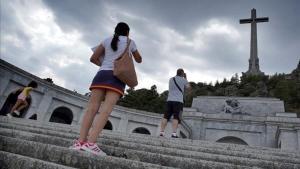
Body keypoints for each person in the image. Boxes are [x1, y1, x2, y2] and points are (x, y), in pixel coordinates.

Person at [70, 22, 142, 156]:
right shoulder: (130, 42)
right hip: (117, 78)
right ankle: (91, 144)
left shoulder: (106, 40)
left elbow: (93, 58)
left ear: (115, 31)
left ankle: (80, 142)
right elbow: (139, 60)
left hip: (101, 75)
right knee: (105, 111)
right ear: (127, 32)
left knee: (91, 109)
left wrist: (105, 65)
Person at [159, 68, 190, 138]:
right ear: (182, 73)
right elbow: (188, 88)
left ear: (176, 72)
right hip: (178, 101)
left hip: (169, 100)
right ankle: (174, 133)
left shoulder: (171, 79)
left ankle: (161, 132)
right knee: (176, 117)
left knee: (165, 117)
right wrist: (185, 78)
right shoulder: (184, 80)